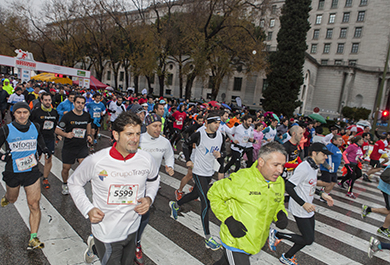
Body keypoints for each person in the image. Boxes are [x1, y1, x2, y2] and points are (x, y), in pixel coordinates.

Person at [68, 111, 160, 265]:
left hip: (132, 228)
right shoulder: (96, 161)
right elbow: (74, 183)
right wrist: (88, 209)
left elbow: (154, 180)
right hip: (106, 232)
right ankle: (97, 246)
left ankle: (94, 248)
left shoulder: (146, 159)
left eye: (138, 134)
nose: (135, 139)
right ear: (116, 135)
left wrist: (149, 198)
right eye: (129, 134)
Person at [208, 142, 288, 265]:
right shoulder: (241, 179)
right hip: (235, 241)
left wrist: (280, 213)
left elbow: (278, 202)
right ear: (261, 162)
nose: (280, 170)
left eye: (282, 165)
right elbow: (214, 193)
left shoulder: (279, 182)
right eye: (276, 165)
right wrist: (229, 220)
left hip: (255, 241)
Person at [269, 142, 334, 265]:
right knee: (308, 239)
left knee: (308, 238)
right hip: (301, 208)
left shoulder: (314, 167)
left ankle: (287, 256)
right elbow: (289, 186)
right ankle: (278, 234)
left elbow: (310, 184)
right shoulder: (304, 168)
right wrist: (303, 203)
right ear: (314, 153)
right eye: (323, 154)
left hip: (308, 207)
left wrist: (322, 194)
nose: (325, 157)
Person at [169, 111, 225, 250]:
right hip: (198, 171)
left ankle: (175, 205)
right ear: (207, 123)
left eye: (219, 123)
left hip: (209, 171)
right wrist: (188, 160)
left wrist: (220, 155)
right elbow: (186, 144)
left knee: (195, 194)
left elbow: (224, 152)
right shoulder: (199, 134)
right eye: (214, 123)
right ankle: (207, 238)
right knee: (206, 202)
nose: (217, 125)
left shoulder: (221, 135)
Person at [0, 102, 51, 250]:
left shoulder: (35, 127)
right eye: (18, 112)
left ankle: (33, 238)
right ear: (13, 114)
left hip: (31, 171)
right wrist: (2, 157)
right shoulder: (5, 130)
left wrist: (45, 148)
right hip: (13, 172)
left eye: (25, 112)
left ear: (29, 113)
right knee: (12, 198)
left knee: (34, 204)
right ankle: (6, 198)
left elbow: (39, 139)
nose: (22, 115)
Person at [130, 113, 175, 264]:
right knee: (128, 213)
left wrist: (169, 166)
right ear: (147, 126)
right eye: (155, 125)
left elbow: (169, 155)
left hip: (150, 183)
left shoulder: (164, 142)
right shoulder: (138, 138)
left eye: (160, 125)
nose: (158, 128)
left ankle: (136, 243)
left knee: (144, 215)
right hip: (132, 181)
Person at [55, 96, 93, 195]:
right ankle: (64, 183)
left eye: (82, 103)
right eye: (78, 102)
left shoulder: (86, 115)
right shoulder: (67, 116)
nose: (80, 105)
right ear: (74, 103)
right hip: (69, 147)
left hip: (82, 146)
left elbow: (88, 124)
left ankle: (78, 184)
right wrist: (66, 134)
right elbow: (57, 129)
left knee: (84, 165)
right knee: (66, 168)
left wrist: (89, 135)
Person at [30, 93, 59, 189]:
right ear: (41, 100)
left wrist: (57, 135)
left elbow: (55, 125)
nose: (47, 102)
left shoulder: (55, 113)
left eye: (49, 100)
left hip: (49, 139)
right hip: (38, 139)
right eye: (45, 100)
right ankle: (34, 176)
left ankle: (45, 178)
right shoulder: (35, 112)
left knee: (49, 159)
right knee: (36, 158)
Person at [361, 164, 390, 237]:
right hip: (387, 189)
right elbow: (384, 176)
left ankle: (368, 209)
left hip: (386, 188)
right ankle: (383, 229)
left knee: (388, 210)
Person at [317, 135, 343, 200]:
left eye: (341, 140)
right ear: (334, 140)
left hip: (334, 170)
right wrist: (326, 165)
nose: (341, 141)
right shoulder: (329, 147)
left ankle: (324, 196)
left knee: (333, 182)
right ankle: (309, 183)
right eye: (339, 140)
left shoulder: (337, 148)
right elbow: (321, 156)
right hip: (327, 169)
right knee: (326, 182)